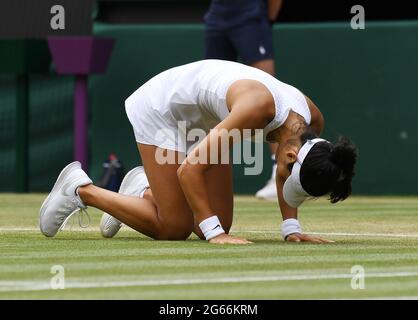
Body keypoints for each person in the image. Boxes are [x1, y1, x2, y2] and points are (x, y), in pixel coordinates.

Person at [39, 60, 357, 244]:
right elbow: (189, 170)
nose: (281, 177)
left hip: (207, 120)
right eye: (286, 176)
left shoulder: (309, 123)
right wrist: (215, 235)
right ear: (290, 157)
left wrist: (292, 230)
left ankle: (146, 192)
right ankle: (80, 189)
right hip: (164, 108)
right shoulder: (258, 108)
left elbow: (288, 169)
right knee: (174, 228)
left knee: (216, 221)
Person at [204, 0, 284, 200]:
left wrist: (265, 18)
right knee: (211, 95)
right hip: (216, 18)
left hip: (251, 17)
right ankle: (206, 173)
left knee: (269, 95)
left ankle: (281, 171)